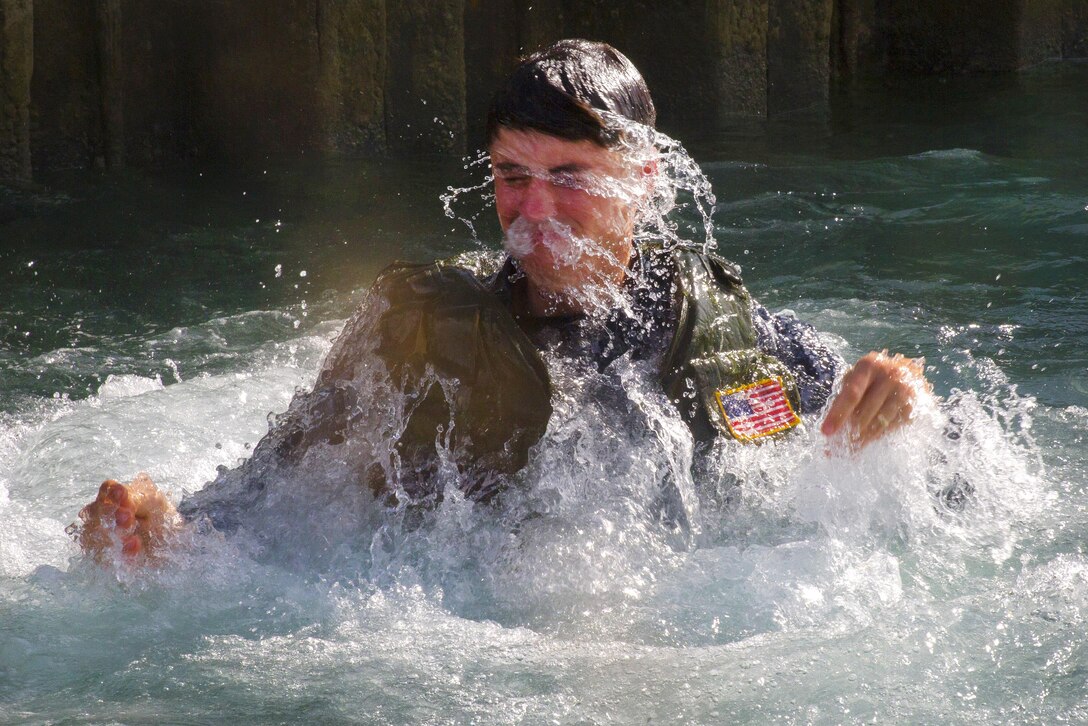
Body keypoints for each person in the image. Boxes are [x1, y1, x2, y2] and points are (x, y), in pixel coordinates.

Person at [73, 39, 931, 562]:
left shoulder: (734, 332)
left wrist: (896, 402)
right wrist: (159, 534)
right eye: (512, 177)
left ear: (644, 180)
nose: (536, 211)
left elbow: (937, 471)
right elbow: (260, 500)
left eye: (569, 178)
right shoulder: (412, 333)